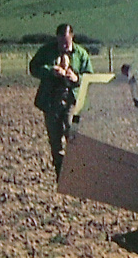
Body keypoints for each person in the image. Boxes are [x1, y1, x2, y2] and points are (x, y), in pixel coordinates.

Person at [30, 23, 93, 178]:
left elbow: (89, 75)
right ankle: (61, 175)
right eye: (61, 41)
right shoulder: (46, 51)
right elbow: (34, 67)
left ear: (72, 36)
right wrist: (50, 71)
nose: (64, 44)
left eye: (66, 40)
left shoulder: (81, 54)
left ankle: (76, 172)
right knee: (55, 140)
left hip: (72, 99)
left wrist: (76, 77)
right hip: (51, 101)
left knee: (72, 133)